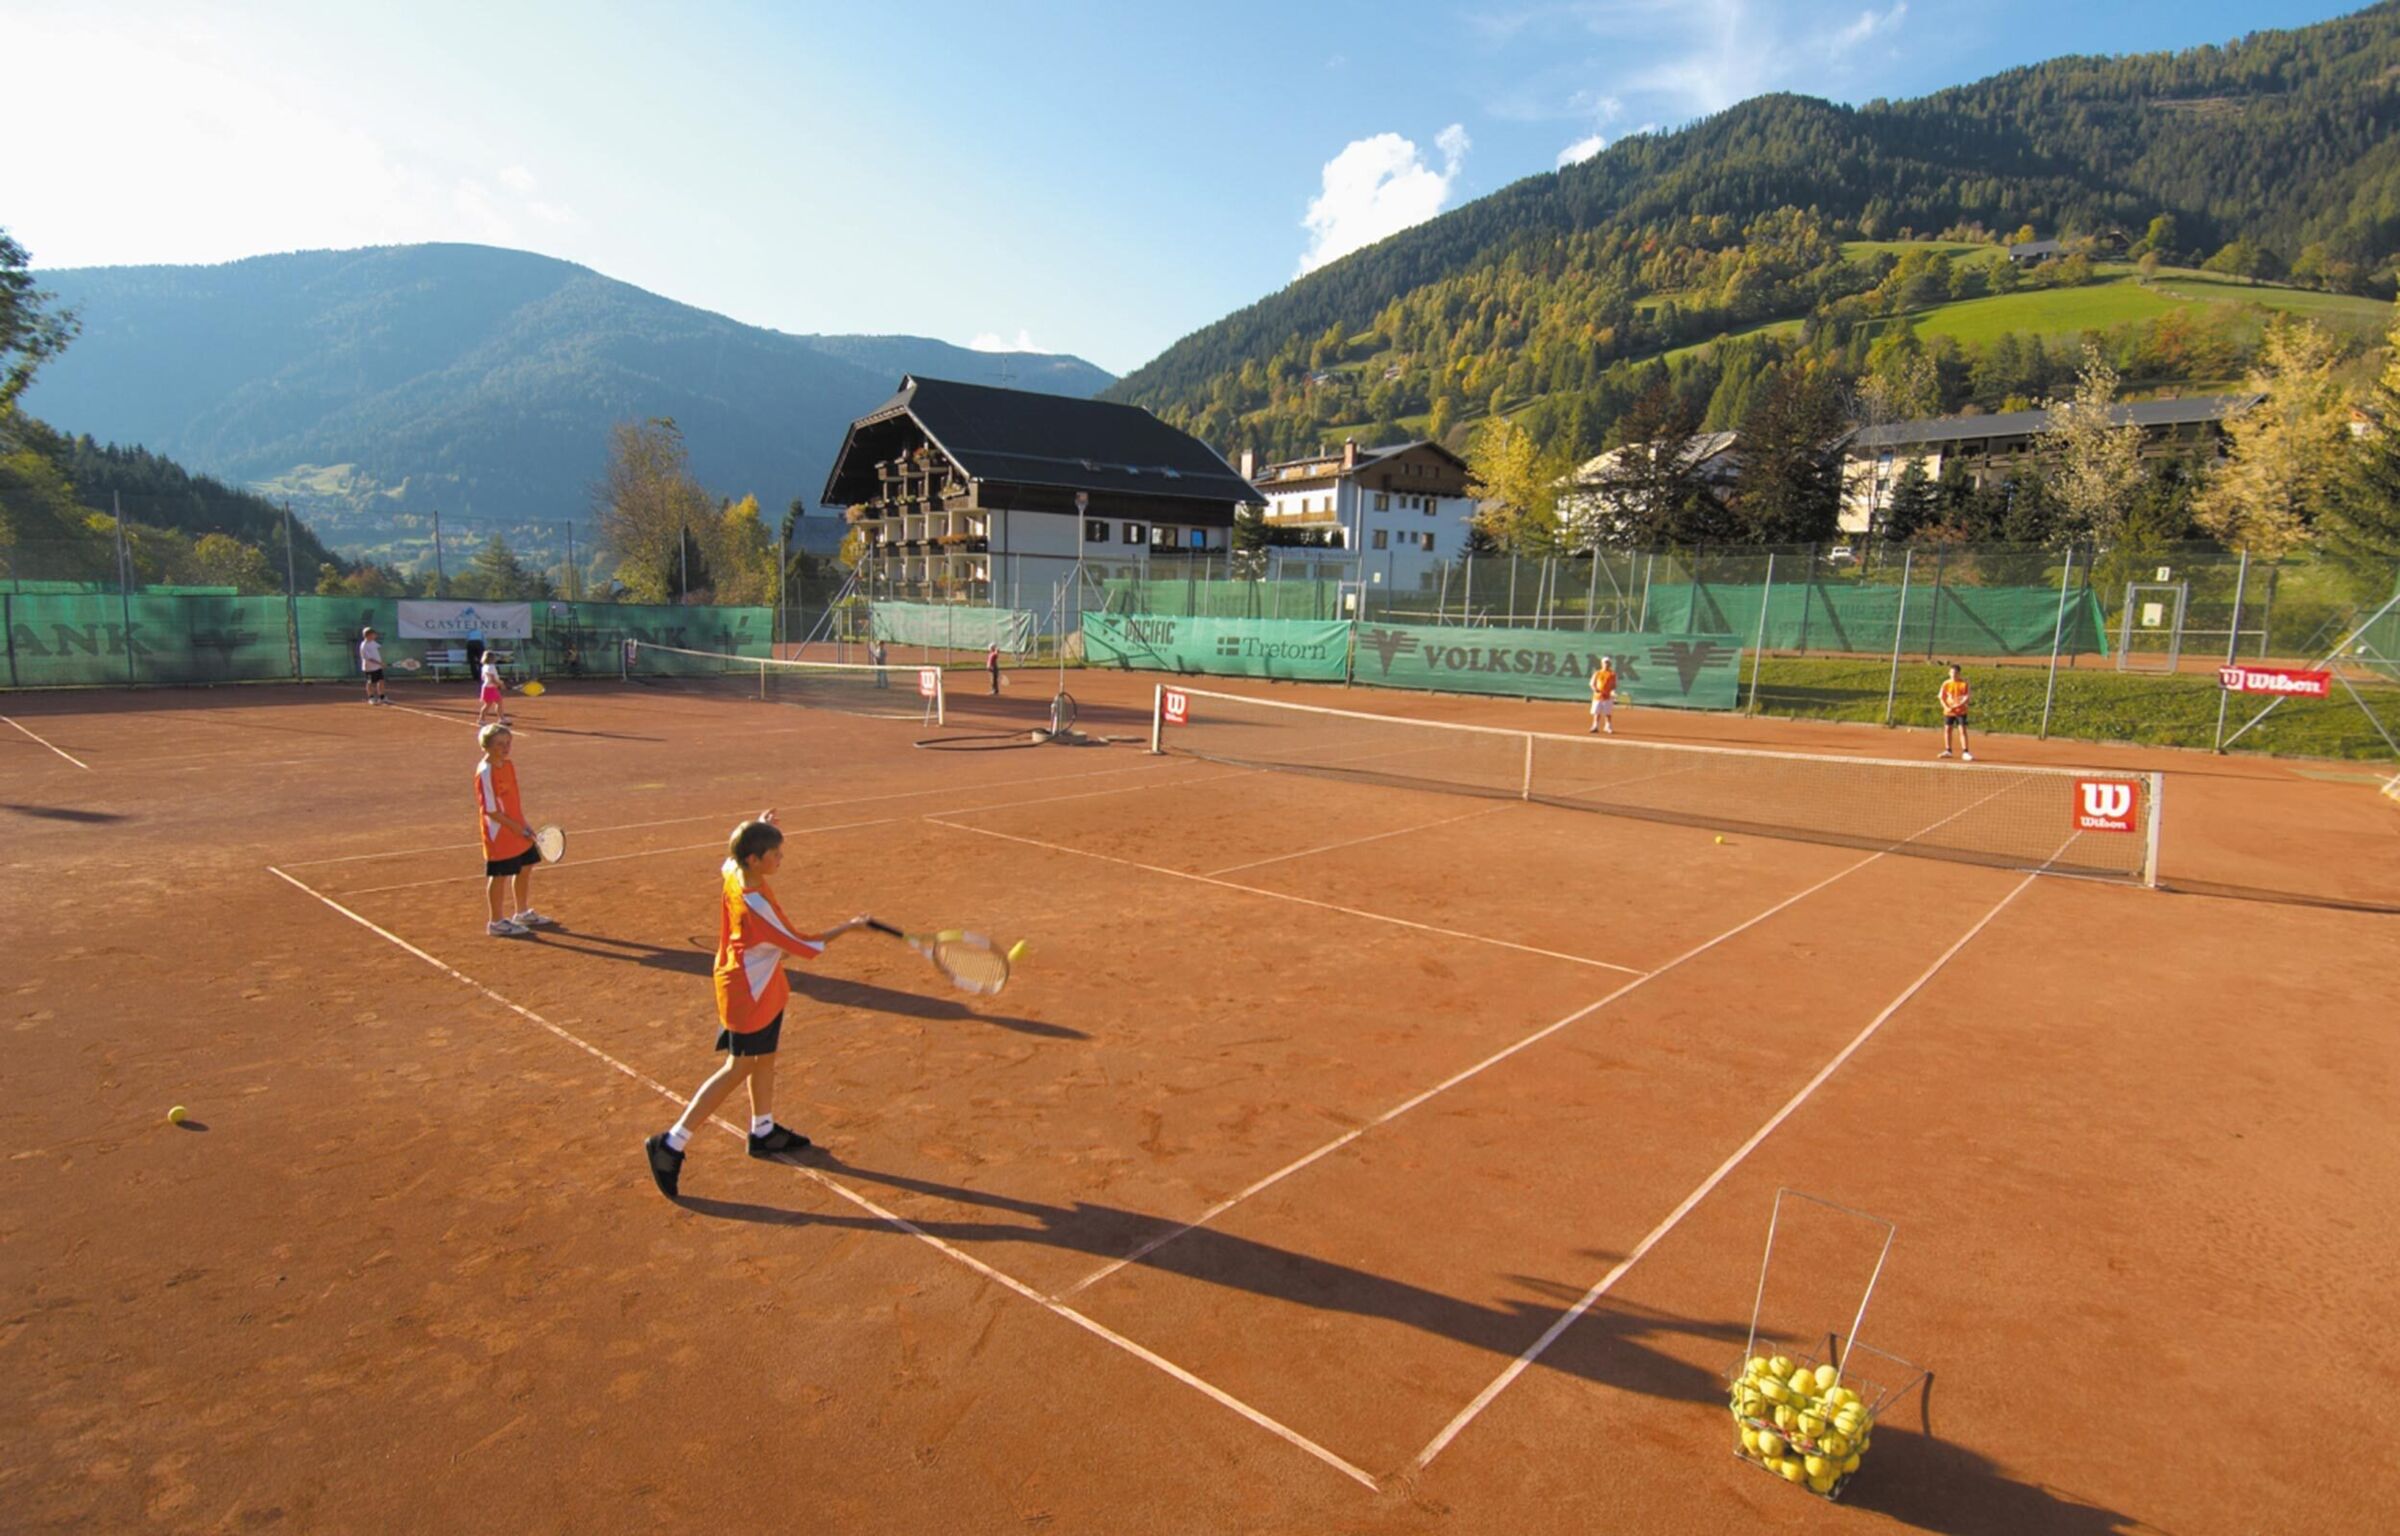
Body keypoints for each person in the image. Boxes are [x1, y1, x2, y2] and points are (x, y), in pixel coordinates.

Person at [643, 813, 870, 1197]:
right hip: (747, 993)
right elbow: (806, 946)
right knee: (738, 1067)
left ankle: (762, 1130)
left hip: (762, 988)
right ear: (755, 859)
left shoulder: (735, 870)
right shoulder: (756, 907)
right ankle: (671, 1143)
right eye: (775, 853)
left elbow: (729, 857)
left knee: (765, 1058)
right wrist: (851, 926)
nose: (781, 858)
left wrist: (756, 824)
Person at [475, 724, 553, 936]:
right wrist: (518, 828)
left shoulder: (507, 766)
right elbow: (491, 811)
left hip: (517, 827)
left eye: (508, 743)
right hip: (499, 833)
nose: (506, 747)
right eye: (500, 744)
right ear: (487, 745)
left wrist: (524, 824)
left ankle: (522, 912)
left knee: (526, 866)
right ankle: (496, 922)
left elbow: (512, 801)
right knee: (500, 875)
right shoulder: (485, 772)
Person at [1937, 663, 1974, 761]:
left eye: (1956, 673)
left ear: (1959, 674)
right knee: (1947, 730)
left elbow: (1967, 698)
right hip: (1948, 712)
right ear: (1949, 673)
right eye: (1952, 672)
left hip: (1961, 712)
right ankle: (1948, 750)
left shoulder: (1964, 684)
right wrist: (1946, 707)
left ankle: (1965, 752)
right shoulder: (1946, 683)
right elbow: (1941, 697)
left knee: (1962, 730)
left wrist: (1957, 705)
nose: (1953, 674)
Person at [476, 651, 508, 727]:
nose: (495, 658)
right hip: (489, 688)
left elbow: (485, 678)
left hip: (491, 687)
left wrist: (499, 683)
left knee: (499, 702)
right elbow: (492, 679)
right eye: (494, 657)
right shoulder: (491, 667)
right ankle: (481, 720)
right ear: (491, 658)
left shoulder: (485, 666)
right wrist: (500, 684)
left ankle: (502, 719)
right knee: (488, 704)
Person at [359, 626, 389, 706]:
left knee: (381, 681)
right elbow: (369, 659)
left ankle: (382, 697)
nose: (375, 636)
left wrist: (382, 661)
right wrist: (380, 663)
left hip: (378, 667)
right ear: (367, 635)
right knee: (370, 683)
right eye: (373, 634)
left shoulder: (373, 642)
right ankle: (371, 698)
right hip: (369, 668)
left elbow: (379, 649)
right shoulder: (364, 646)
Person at [1588, 654, 1618, 735]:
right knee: (1596, 713)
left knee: (1608, 713)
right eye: (1605, 662)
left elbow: (1614, 685)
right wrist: (1595, 690)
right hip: (1597, 697)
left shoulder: (1612, 674)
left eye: (1608, 663)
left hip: (1607, 697)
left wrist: (1612, 692)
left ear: (1610, 664)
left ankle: (1608, 727)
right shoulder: (1597, 673)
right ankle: (1595, 726)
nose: (1606, 664)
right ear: (1602, 663)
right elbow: (1592, 684)